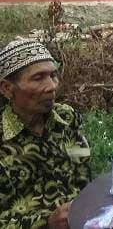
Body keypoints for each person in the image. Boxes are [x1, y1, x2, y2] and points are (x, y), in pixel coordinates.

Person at [0, 39, 91, 229]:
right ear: (7, 88)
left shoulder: (67, 119)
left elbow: (82, 170)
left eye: (53, 75)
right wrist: (46, 223)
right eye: (38, 78)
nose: (51, 86)